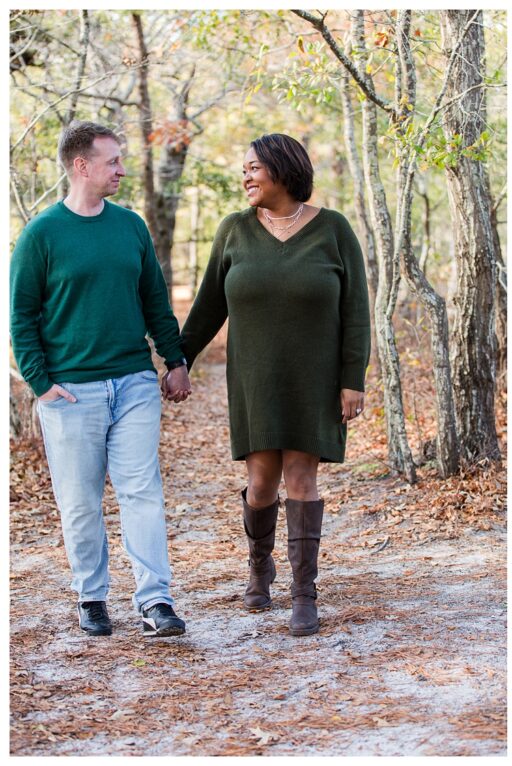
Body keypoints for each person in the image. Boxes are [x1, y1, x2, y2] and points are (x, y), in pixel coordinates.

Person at [179, 133, 371, 637]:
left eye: (253, 168)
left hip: (315, 379)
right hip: (256, 380)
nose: (246, 177)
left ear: (282, 171)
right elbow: (207, 307)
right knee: (262, 483)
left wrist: (353, 379)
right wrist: (179, 359)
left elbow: (356, 311)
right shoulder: (234, 231)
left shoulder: (333, 230)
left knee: (302, 480)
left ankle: (304, 595)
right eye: (244, 169)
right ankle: (259, 566)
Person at [10, 120, 191, 638]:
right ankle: (92, 596)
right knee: (81, 501)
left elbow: (155, 299)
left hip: (133, 383)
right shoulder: (42, 234)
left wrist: (174, 361)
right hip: (70, 392)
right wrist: (41, 384)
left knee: (142, 493)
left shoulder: (130, 225)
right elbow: (21, 317)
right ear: (81, 165)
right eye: (112, 161)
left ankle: (156, 602)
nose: (121, 169)